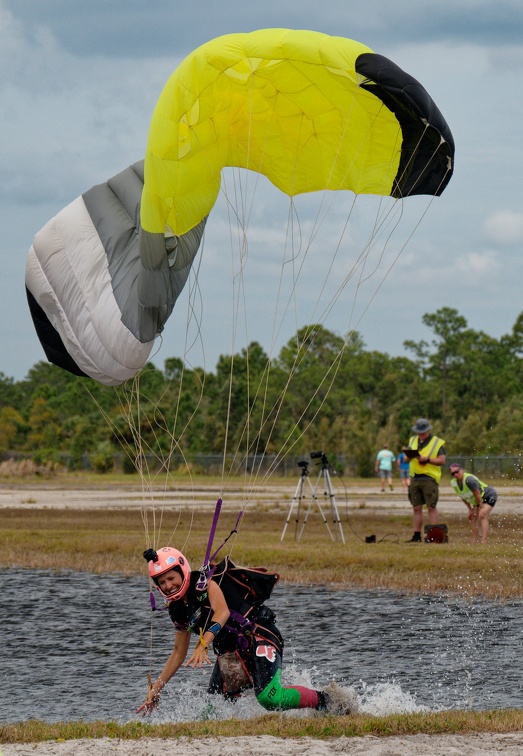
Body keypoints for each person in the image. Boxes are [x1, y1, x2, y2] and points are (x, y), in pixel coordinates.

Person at [136, 547, 358, 716]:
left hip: (258, 634)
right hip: (230, 652)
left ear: (182, 570)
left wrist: (203, 643)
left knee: (270, 698)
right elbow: (177, 653)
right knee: (212, 710)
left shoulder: (204, 583)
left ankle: (328, 701)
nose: (168, 585)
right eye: (161, 582)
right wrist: (156, 690)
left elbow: (221, 613)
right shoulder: (176, 610)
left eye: (171, 578)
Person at [404, 418, 446, 542]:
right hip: (415, 478)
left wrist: (427, 459)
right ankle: (416, 536)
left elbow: (442, 460)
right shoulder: (412, 440)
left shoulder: (436, 442)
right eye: (419, 432)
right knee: (416, 508)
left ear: (428, 430)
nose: (421, 434)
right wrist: (407, 457)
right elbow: (406, 459)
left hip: (429, 479)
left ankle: (434, 536)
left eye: (423, 432)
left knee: (431, 507)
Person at [449, 464, 498, 544]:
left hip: (489, 495)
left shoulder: (469, 480)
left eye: (457, 472)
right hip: (478, 499)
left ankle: (484, 541)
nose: (455, 474)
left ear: (462, 470)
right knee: (472, 517)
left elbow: (477, 494)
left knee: (482, 514)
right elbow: (463, 496)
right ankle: (474, 541)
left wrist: (481, 507)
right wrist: (470, 509)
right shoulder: (454, 483)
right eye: (453, 474)